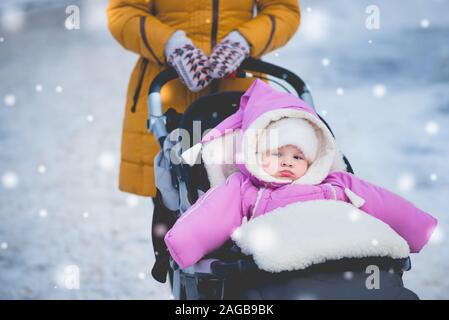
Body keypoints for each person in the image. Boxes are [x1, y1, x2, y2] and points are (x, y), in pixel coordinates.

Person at [164, 79, 438, 269]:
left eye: (297, 157)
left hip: (338, 251)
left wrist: (417, 228)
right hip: (282, 256)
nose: (287, 163)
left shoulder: (334, 184)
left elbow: (380, 203)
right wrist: (184, 245)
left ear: (313, 160)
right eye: (276, 154)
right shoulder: (246, 190)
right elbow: (214, 214)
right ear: (257, 155)